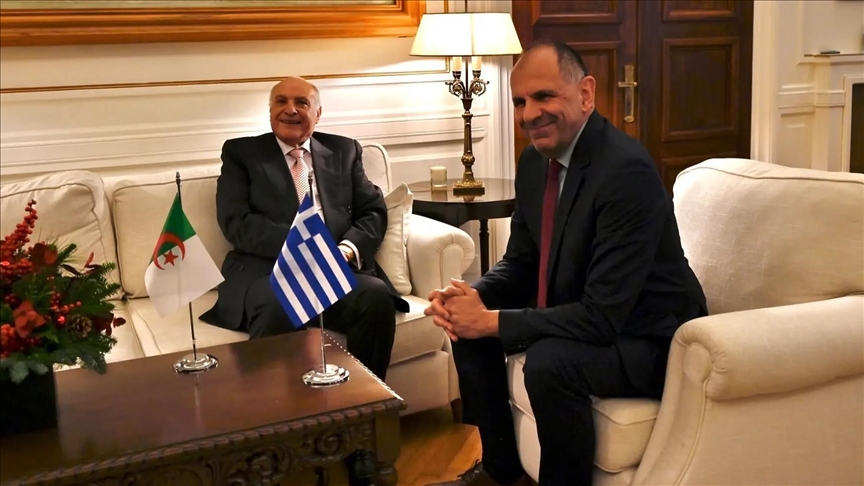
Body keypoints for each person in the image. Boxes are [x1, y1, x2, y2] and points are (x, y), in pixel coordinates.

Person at [424, 40, 708, 486]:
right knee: (468, 330)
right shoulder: (534, 162)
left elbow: (602, 317)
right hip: (591, 317)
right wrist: (471, 298)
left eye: (544, 96)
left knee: (550, 362)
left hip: (651, 340)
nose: (529, 114)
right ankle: (501, 473)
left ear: (586, 94)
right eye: (520, 102)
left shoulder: (625, 172)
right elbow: (521, 262)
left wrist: (491, 320)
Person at [200, 76, 409, 486]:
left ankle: (361, 438)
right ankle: (269, 447)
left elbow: (372, 212)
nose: (290, 109)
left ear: (318, 112)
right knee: (278, 304)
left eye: (301, 102)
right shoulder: (242, 154)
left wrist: (345, 250)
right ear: (270, 111)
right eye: (281, 101)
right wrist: (305, 246)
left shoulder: (345, 151)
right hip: (270, 268)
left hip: (336, 265)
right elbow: (236, 222)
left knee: (375, 298)